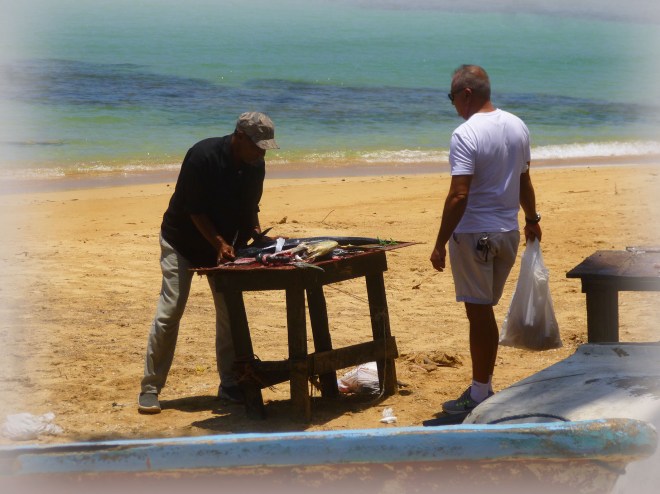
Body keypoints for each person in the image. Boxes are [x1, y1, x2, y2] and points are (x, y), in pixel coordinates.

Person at [138, 112, 279, 414]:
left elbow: (249, 207)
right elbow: (194, 210)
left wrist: (257, 234)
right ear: (239, 136)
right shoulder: (202, 156)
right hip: (182, 242)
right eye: (257, 146)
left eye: (265, 148)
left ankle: (229, 384)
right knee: (171, 310)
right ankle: (150, 388)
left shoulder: (255, 165)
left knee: (229, 314)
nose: (261, 153)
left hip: (225, 247)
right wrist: (219, 244)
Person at [430, 65, 542, 415]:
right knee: (484, 312)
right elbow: (524, 180)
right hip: (507, 233)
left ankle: (480, 393)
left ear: (466, 94)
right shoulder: (517, 125)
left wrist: (439, 242)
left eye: (452, 97)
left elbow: (458, 195)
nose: (452, 104)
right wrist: (532, 219)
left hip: (475, 234)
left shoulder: (465, 133)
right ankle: (483, 385)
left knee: (478, 316)